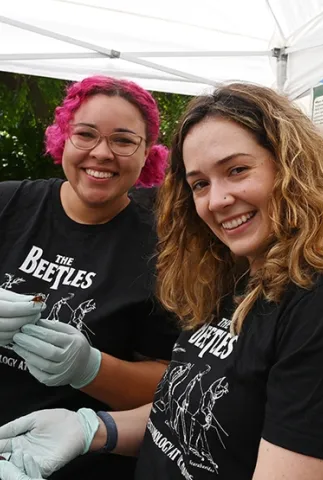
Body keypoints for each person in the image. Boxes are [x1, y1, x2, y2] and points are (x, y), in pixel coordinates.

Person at [0, 83, 323, 480]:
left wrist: (89, 369)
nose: (216, 200)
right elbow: (187, 411)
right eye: (200, 183)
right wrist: (94, 429)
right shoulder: (231, 282)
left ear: (290, 167)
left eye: (236, 170)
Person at [0, 76, 178, 480]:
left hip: (76, 464)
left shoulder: (163, 249)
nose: (102, 153)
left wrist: (89, 368)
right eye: (86, 134)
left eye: (123, 140)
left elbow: (167, 383)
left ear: (147, 152)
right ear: (63, 136)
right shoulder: (9, 204)